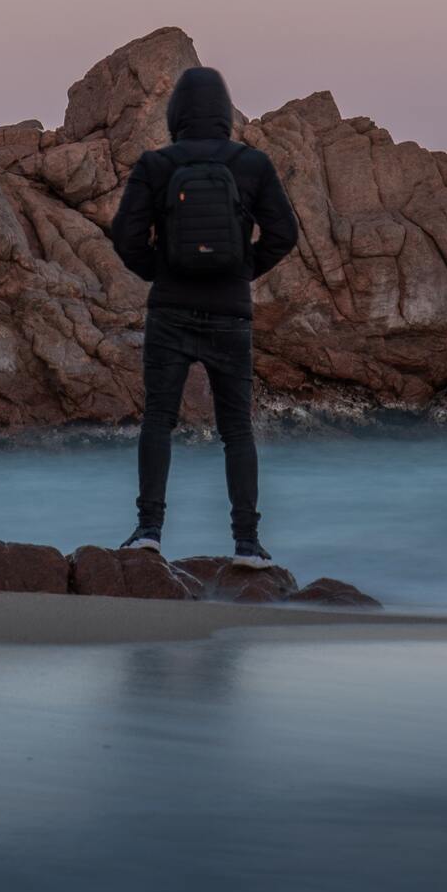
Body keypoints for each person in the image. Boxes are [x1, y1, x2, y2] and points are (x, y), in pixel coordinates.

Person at [107, 65, 300, 567]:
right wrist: (244, 269)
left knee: (158, 421)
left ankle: (149, 531)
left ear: (177, 113)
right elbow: (284, 233)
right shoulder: (252, 163)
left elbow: (124, 236)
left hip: (169, 311)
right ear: (224, 112)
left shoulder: (156, 164)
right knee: (236, 431)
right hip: (231, 316)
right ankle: (247, 544)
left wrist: (158, 271)